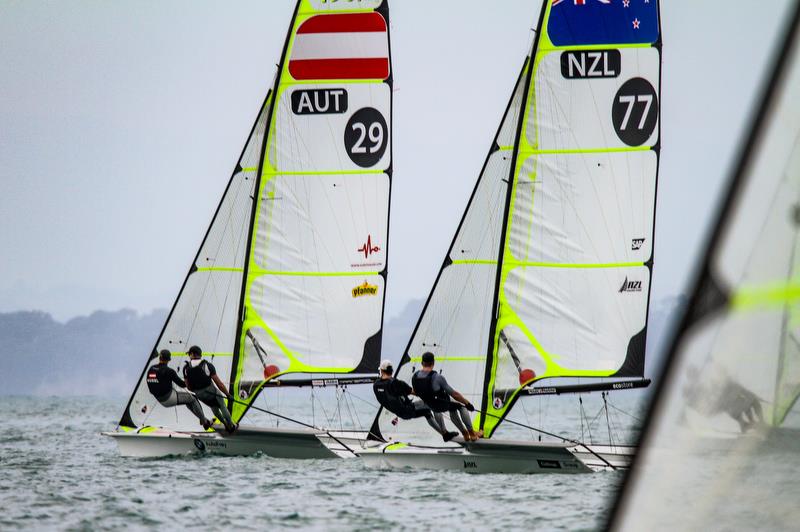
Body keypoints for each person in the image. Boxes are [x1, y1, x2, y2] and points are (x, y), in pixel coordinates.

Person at [372, 359, 459, 442]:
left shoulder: (376, 385)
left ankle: (444, 434)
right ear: (392, 371)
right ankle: (445, 433)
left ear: (382, 371)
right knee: (433, 404)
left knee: (427, 412)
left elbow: (386, 394)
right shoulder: (396, 383)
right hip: (408, 410)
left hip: (400, 413)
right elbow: (415, 392)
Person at [412, 352, 483, 441]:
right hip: (443, 404)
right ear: (433, 363)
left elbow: (416, 392)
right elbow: (454, 394)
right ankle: (472, 434)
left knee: (452, 408)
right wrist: (467, 403)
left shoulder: (414, 377)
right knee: (461, 406)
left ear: (422, 363)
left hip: (431, 406)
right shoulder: (437, 377)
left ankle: (464, 433)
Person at [146, 349, 211, 430]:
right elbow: (182, 384)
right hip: (169, 398)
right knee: (193, 398)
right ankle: (204, 421)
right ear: (169, 359)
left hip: (159, 399)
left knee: (188, 401)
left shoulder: (151, 368)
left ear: (160, 358)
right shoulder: (169, 371)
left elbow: (150, 382)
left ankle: (203, 419)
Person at [183, 345, 237, 434]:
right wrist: (228, 395)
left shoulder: (186, 368)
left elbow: (188, 387)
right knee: (222, 406)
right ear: (200, 354)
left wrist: (199, 390)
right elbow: (219, 384)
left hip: (200, 395)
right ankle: (231, 425)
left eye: (189, 354)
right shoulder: (207, 365)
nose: (189, 355)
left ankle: (225, 424)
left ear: (192, 354)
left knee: (214, 408)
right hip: (212, 392)